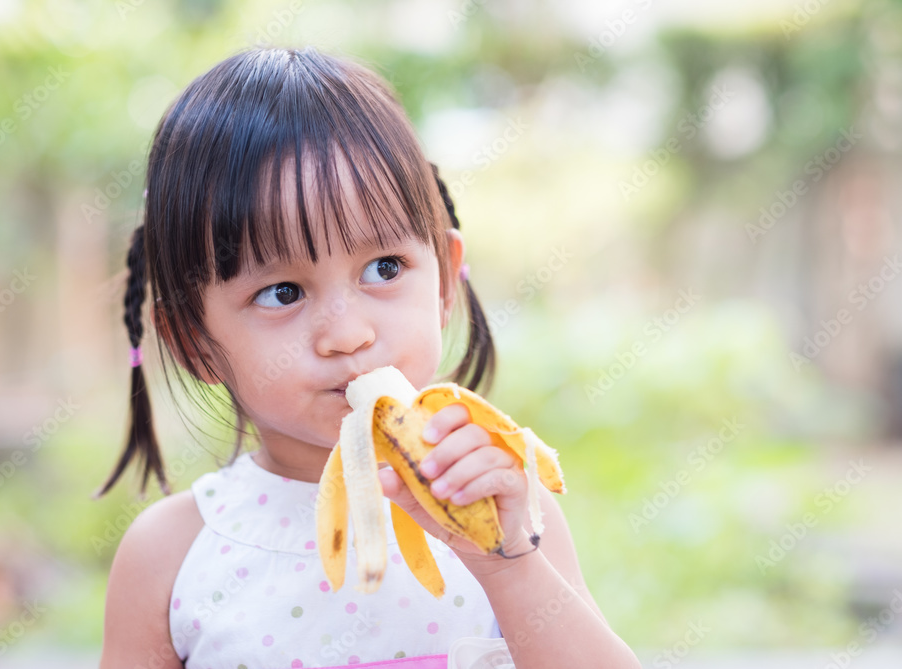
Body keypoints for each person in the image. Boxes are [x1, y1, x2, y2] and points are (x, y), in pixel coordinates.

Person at [97, 46, 640, 669]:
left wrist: (506, 564)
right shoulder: (171, 556)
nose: (347, 334)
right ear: (195, 341)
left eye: (384, 268)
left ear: (443, 283)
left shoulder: (510, 514)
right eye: (283, 293)